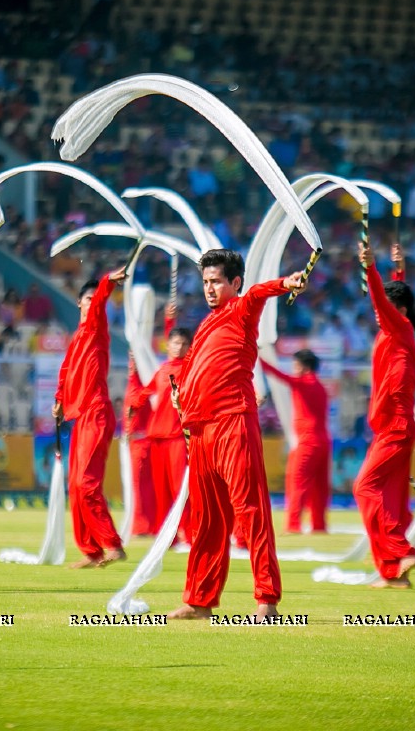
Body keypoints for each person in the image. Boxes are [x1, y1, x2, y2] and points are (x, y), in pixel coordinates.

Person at [168, 249, 306, 620]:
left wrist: (285, 284)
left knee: (251, 511)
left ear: (235, 283)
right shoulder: (206, 324)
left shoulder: (241, 310)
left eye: (216, 281)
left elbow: (260, 293)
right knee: (206, 520)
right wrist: (181, 391)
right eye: (206, 281)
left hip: (232, 423)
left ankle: (267, 599)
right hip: (201, 431)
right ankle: (199, 601)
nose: (210, 288)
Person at [354, 242, 415, 588]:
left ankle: (403, 549)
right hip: (392, 426)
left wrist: (371, 268)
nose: (380, 314)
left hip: (395, 426)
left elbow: (385, 303)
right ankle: (394, 572)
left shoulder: (399, 327)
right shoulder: (395, 331)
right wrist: (399, 270)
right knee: (391, 501)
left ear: (402, 310)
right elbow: (392, 301)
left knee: (364, 487)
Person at [53, 268, 128, 568]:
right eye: (86, 298)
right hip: (80, 415)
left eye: (93, 298)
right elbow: (66, 369)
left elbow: (100, 300)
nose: (90, 302)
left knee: (86, 482)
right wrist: (59, 400)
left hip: (96, 412)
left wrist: (108, 281)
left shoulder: (97, 325)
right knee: (75, 485)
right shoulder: (77, 337)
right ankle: (91, 550)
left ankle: (111, 544)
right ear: (78, 302)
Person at [128, 308, 191, 539]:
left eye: (183, 343)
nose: (178, 347)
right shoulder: (164, 369)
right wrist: (134, 403)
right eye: (175, 343)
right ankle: (167, 534)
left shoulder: (191, 369)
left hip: (177, 438)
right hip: (157, 438)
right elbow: (147, 391)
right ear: (168, 345)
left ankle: (189, 531)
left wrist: (168, 321)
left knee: (179, 489)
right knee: (160, 490)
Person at [260, 349, 330, 534]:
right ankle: (319, 525)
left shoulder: (304, 384)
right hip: (323, 441)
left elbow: (278, 375)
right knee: (319, 488)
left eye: (295, 365)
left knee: (296, 483)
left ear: (304, 367)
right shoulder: (321, 387)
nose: (293, 368)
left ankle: (293, 524)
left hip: (307, 441)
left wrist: (259, 359)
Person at [123, 355, 155, 537]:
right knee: (138, 485)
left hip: (142, 442)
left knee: (142, 485)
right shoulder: (133, 384)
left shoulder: (144, 385)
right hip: (135, 441)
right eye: (130, 360)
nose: (131, 365)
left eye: (135, 361)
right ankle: (142, 523)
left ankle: (144, 525)